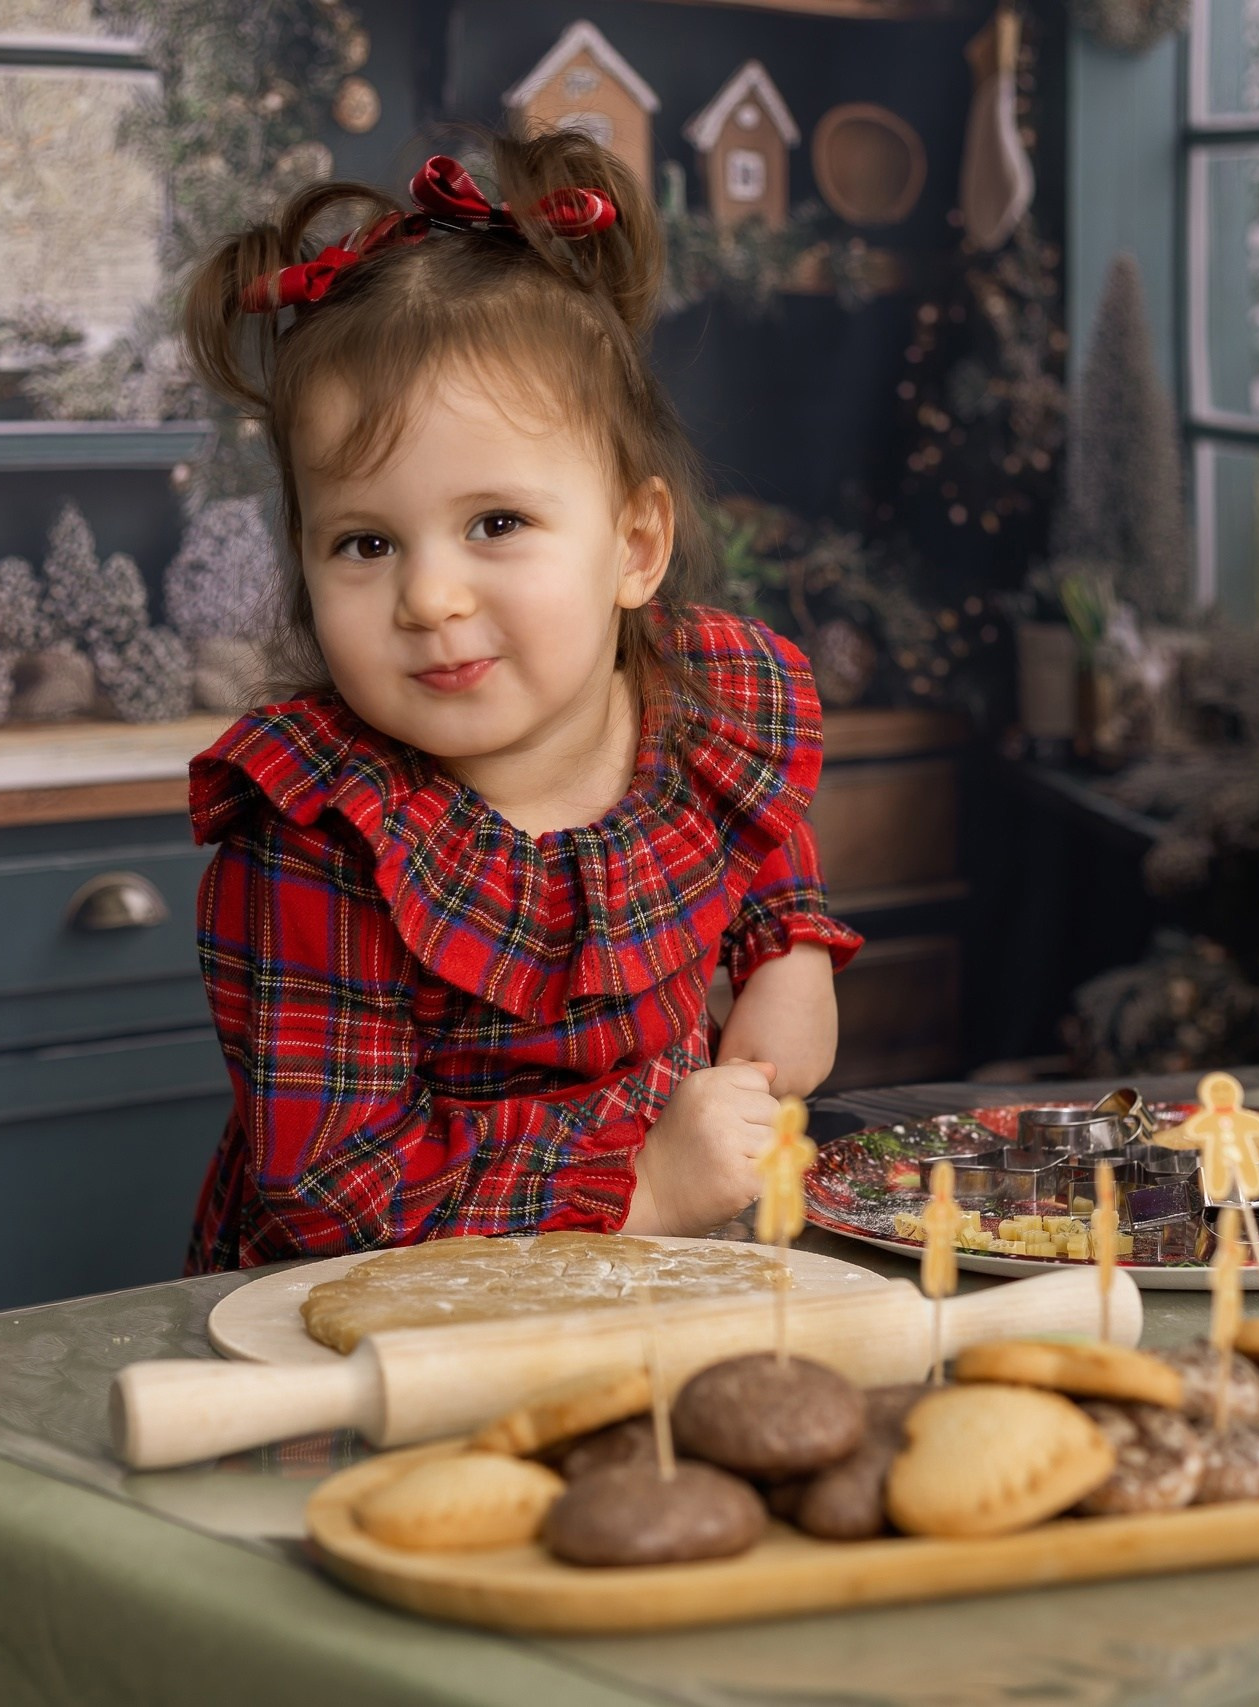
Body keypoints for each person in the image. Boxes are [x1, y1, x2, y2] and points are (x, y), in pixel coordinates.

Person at [176, 131, 860, 1273]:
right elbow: (337, 1206)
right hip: (384, 1338)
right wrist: (641, 1185)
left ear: (634, 546)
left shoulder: (702, 708)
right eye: (364, 542)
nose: (430, 597)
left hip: (653, 1285)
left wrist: (787, 961)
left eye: (496, 523)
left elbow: (757, 858)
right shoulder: (316, 840)